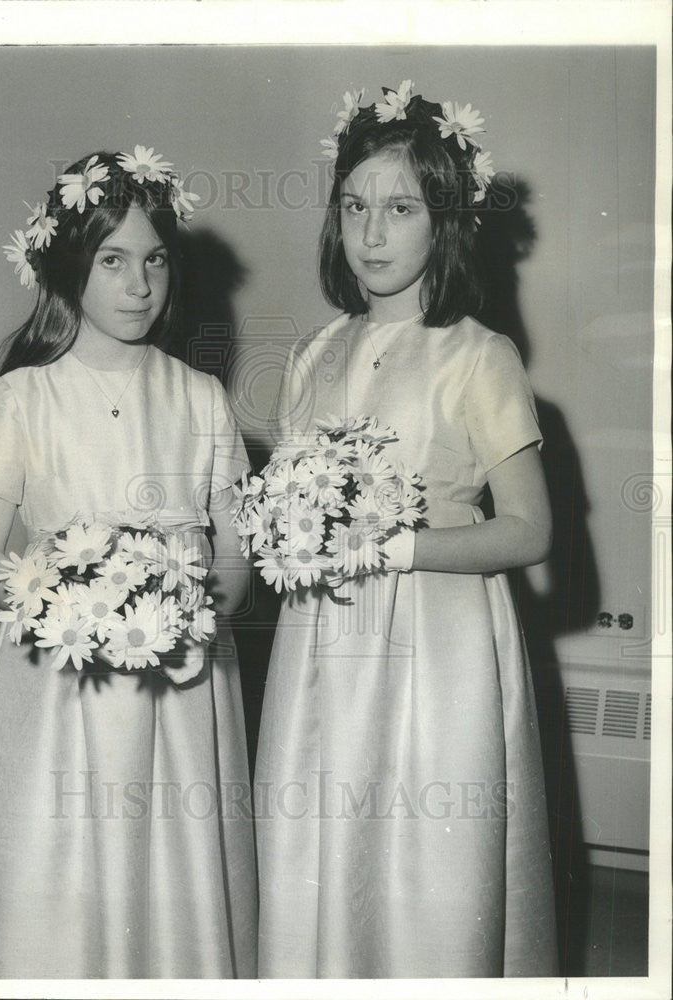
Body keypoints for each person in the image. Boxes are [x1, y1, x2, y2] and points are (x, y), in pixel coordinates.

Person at [254, 81, 558, 978]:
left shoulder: (479, 354)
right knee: (321, 834)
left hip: (440, 645)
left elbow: (531, 530)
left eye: (400, 209)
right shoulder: (314, 351)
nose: (372, 234)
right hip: (325, 641)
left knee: (428, 851)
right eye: (354, 207)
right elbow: (289, 497)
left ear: (445, 222)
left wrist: (397, 546)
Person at [0, 146, 257, 978]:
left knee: (177, 856)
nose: (138, 285)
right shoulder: (22, 396)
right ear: (68, 269)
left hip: (185, 671)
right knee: (65, 860)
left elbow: (236, 555)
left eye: (154, 261)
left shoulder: (200, 398)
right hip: (63, 677)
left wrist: (190, 612)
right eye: (113, 261)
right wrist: (77, 607)